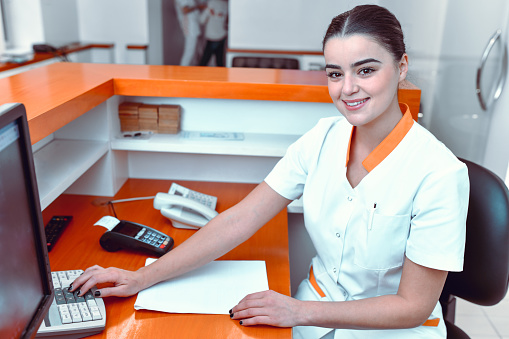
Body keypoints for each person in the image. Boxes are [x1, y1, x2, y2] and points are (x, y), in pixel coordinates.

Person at [71, 5, 469, 338]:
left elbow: (412, 306)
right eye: (335, 73)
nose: (348, 88)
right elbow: (240, 219)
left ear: (401, 68)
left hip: (389, 330)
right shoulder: (322, 137)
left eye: (366, 70)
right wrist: (141, 278)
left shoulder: (439, 173)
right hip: (310, 310)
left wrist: (299, 312)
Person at [174, 0, 206, 66]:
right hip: (190, 27)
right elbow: (185, 10)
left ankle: (190, 70)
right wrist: (198, 7)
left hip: (194, 27)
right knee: (189, 52)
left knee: (194, 52)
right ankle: (182, 72)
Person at [199, 0, 228, 67]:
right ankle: (221, 77)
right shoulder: (226, 4)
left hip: (212, 36)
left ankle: (197, 77)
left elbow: (201, 20)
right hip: (222, 35)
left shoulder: (211, 3)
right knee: (219, 62)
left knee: (203, 63)